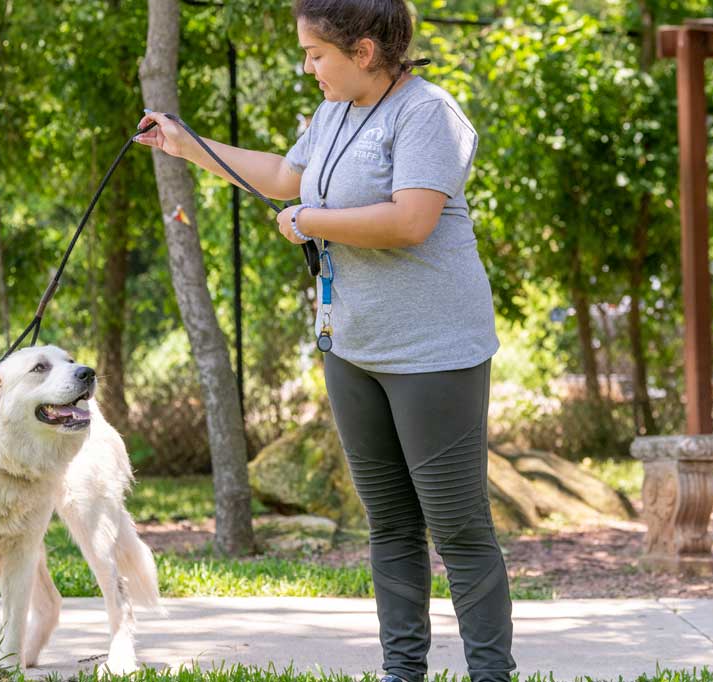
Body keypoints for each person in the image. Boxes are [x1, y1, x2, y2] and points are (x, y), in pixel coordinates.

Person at [135, 1, 516, 680]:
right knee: (390, 524)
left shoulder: (428, 113)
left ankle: (492, 674)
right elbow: (286, 178)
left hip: (434, 351)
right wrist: (186, 143)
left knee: (457, 530)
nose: (308, 66)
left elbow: (410, 220)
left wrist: (310, 221)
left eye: (317, 54)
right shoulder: (336, 111)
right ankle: (404, 673)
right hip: (352, 345)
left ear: (364, 51)